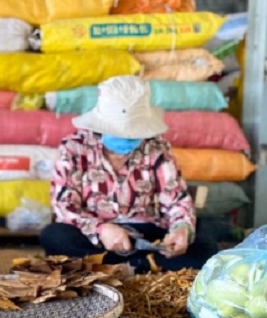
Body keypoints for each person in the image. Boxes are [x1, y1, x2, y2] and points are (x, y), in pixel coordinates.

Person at [40, 76, 217, 272]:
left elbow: (176, 199)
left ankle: (120, 266)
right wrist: (101, 229)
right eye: (118, 132)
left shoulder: (156, 147)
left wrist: (181, 228)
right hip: (95, 237)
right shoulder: (74, 147)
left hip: (146, 234)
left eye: (133, 133)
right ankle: (139, 266)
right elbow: (64, 206)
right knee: (55, 236)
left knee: (205, 246)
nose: (126, 137)